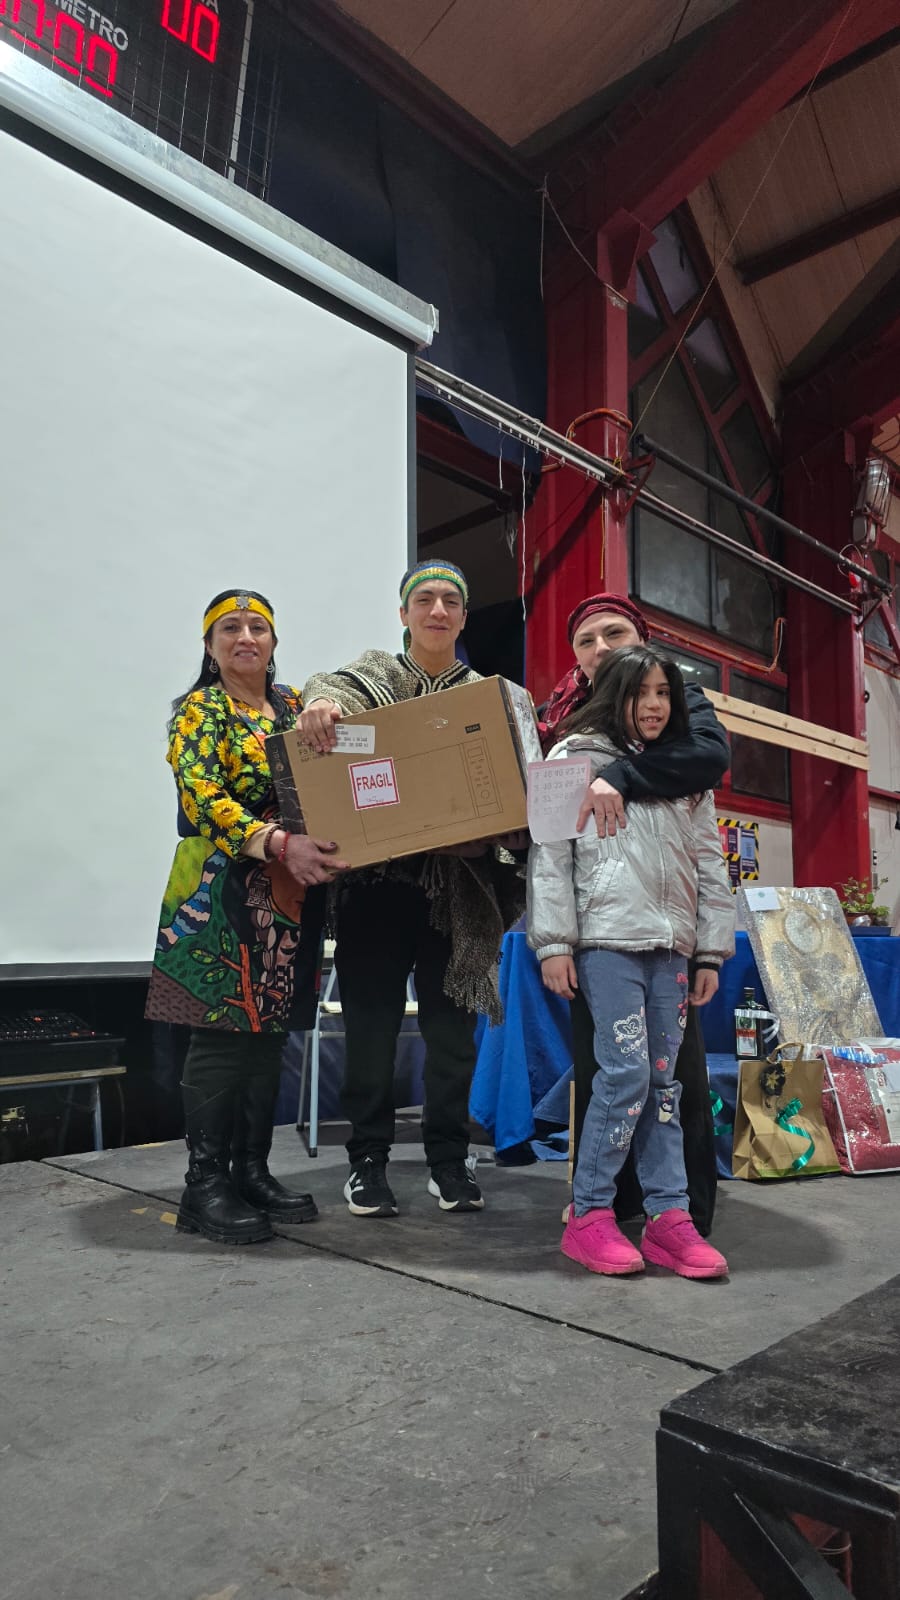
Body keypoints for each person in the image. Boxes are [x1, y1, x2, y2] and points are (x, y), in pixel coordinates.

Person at [299, 560, 527, 1218]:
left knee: (452, 1040)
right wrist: (318, 708)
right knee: (368, 1036)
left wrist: (492, 838)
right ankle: (367, 1161)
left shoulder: (493, 698)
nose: (436, 610)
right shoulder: (362, 681)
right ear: (403, 614)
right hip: (377, 892)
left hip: (458, 896)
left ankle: (449, 1161)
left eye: (450, 601)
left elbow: (520, 793)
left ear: (461, 616)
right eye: (423, 599)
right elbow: (324, 690)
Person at [145, 589, 350, 1246]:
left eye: (257, 626)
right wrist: (278, 841)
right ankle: (203, 1186)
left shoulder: (293, 708)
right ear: (210, 647)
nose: (245, 637)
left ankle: (250, 1170)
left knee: (267, 1038)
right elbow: (202, 799)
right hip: (217, 886)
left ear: (273, 641)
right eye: (228, 628)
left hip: (288, 894)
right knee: (218, 1036)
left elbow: (342, 766)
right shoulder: (198, 712)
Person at [528, 646, 735, 1278]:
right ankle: (590, 1214)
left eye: (664, 694)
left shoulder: (680, 770)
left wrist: (710, 949)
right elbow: (549, 857)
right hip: (606, 946)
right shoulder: (569, 758)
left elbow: (709, 863)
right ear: (613, 693)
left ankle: (668, 1217)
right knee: (623, 1078)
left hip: (672, 950)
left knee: (663, 1086)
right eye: (641, 693)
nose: (653, 706)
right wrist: (555, 944)